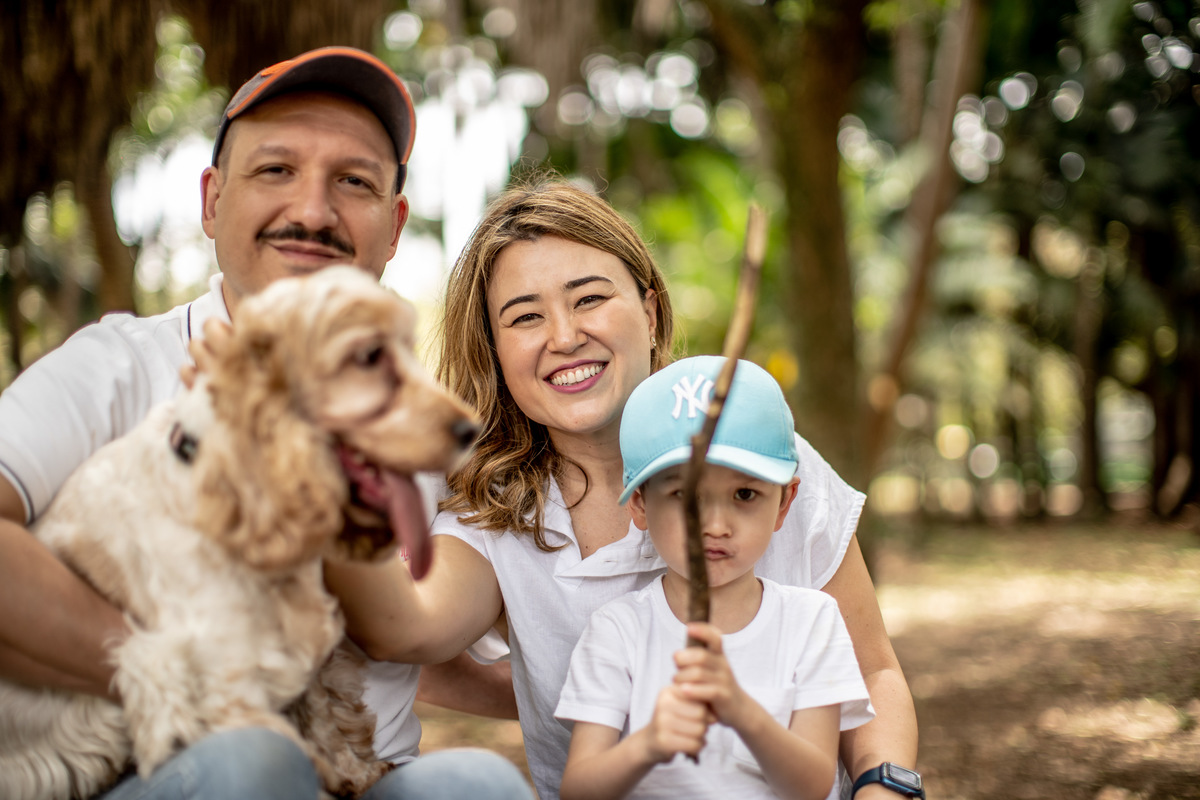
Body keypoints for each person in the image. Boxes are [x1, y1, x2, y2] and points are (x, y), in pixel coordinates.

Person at [0, 47, 531, 800]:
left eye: (353, 182)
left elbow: (416, 644)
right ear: (212, 201)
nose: (314, 212)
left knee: (478, 786)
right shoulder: (116, 367)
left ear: (393, 226)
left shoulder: (416, 426)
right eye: (276, 170)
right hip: (162, 771)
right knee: (255, 762)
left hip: (358, 775)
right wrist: (188, 678)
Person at [327, 177, 921, 800]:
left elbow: (872, 669)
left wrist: (887, 787)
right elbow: (410, 632)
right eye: (526, 316)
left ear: (651, 310)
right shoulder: (494, 510)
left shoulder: (760, 454)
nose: (563, 336)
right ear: (495, 349)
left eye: (588, 299)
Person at [556, 356, 875, 800]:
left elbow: (813, 785)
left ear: (784, 503)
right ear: (640, 506)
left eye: (745, 494)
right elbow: (578, 790)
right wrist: (649, 744)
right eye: (685, 496)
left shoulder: (812, 622)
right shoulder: (619, 631)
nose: (716, 525)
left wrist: (741, 711)